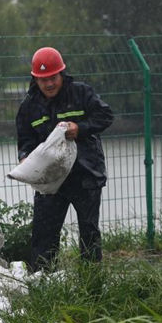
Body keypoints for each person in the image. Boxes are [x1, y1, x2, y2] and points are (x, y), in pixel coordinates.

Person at [16, 47, 113, 270]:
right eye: (43, 80)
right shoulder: (28, 108)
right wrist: (25, 158)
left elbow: (106, 116)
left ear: (62, 74)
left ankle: (91, 282)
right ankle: (43, 282)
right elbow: (25, 142)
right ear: (35, 79)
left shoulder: (82, 93)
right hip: (50, 182)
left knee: (89, 233)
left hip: (86, 174)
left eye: (53, 78)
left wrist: (80, 128)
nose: (49, 84)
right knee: (44, 236)